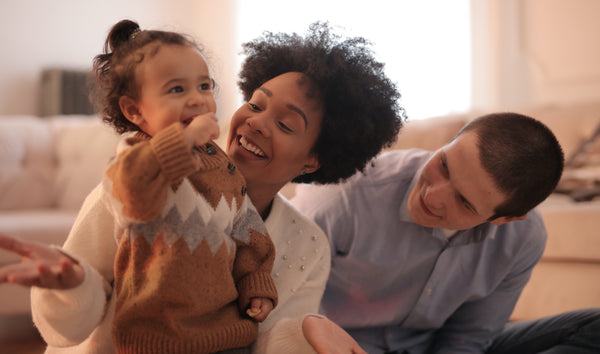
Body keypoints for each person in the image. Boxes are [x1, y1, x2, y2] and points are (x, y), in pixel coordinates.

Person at [0, 21, 405, 353]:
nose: (257, 122)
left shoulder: (308, 245)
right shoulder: (139, 181)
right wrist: (72, 285)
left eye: (285, 124)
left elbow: (269, 343)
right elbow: (65, 333)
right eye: (256, 103)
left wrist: (310, 332)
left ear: (313, 159)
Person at [292, 112, 600, 353]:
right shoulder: (343, 196)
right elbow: (274, 307)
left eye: (464, 202)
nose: (433, 196)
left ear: (505, 218)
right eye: (444, 165)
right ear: (450, 141)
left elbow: (469, 338)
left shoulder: (523, 239)